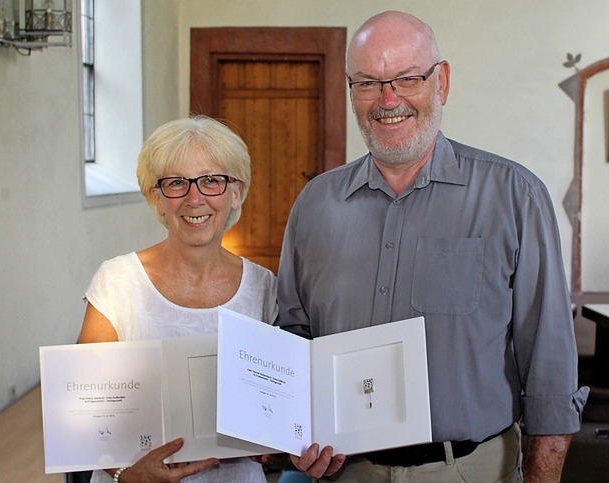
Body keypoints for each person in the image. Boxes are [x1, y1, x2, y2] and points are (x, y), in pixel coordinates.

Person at [277, 10, 588, 483]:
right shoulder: (314, 204)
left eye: (406, 78)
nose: (388, 100)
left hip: (470, 470)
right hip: (345, 474)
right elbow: (293, 337)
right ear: (351, 89)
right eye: (368, 83)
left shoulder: (513, 196)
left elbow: (549, 365)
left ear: (441, 81)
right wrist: (291, 431)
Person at [78, 116, 278, 483]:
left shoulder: (265, 288)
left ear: (235, 192)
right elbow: (86, 412)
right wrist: (124, 473)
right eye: (176, 183)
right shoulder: (118, 281)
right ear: (157, 198)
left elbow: (276, 407)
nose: (194, 198)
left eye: (211, 180)